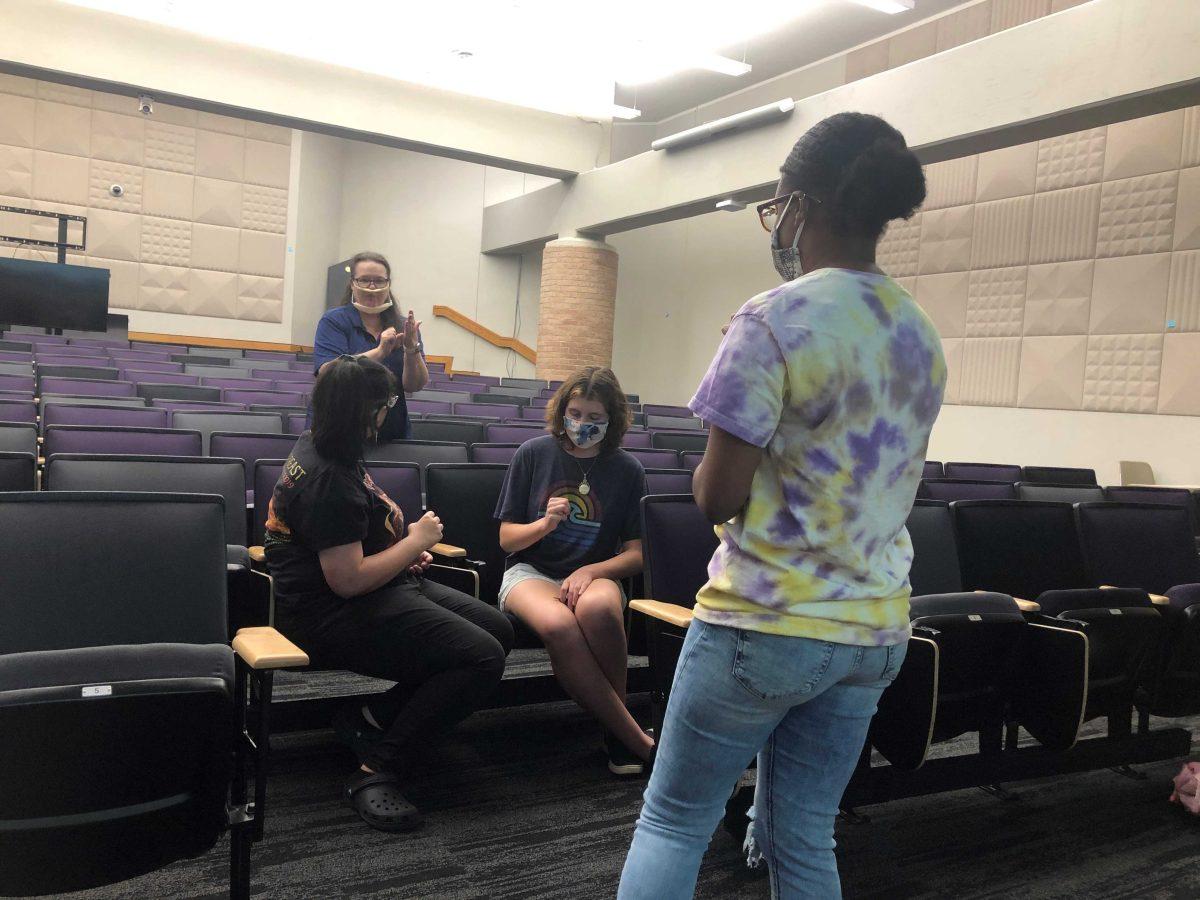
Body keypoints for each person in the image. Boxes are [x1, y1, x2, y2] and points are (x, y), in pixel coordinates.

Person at [619, 112, 944, 898]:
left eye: (777, 205)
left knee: (674, 821)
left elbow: (718, 496)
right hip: (873, 628)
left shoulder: (773, 317)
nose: (777, 223)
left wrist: (710, 478)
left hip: (764, 625)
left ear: (804, 206)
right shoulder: (918, 330)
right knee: (803, 835)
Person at [264, 354, 513, 833]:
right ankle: (377, 768)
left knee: (497, 630)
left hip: (374, 586)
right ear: (361, 412)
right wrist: (416, 542)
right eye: (384, 404)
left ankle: (371, 716)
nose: (388, 412)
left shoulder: (324, 440)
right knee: (479, 658)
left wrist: (397, 551)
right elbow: (348, 579)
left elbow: (351, 545)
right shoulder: (328, 478)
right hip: (329, 611)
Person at [494, 366, 654, 775]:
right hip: (530, 573)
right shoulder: (533, 453)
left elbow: (637, 554)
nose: (583, 424)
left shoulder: (627, 469)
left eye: (595, 418)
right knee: (560, 625)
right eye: (576, 413)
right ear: (563, 410)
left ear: (612, 420)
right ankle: (632, 737)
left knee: (598, 610)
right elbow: (508, 541)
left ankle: (615, 729)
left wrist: (592, 572)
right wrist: (544, 525)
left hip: (594, 572)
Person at [311, 250, 428, 440]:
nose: (372, 287)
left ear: (388, 284)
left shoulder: (404, 326)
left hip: (391, 430)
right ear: (352, 284)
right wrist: (380, 352)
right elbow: (328, 372)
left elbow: (414, 385)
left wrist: (411, 348)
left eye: (379, 281)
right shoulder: (333, 320)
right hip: (339, 428)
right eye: (364, 280)